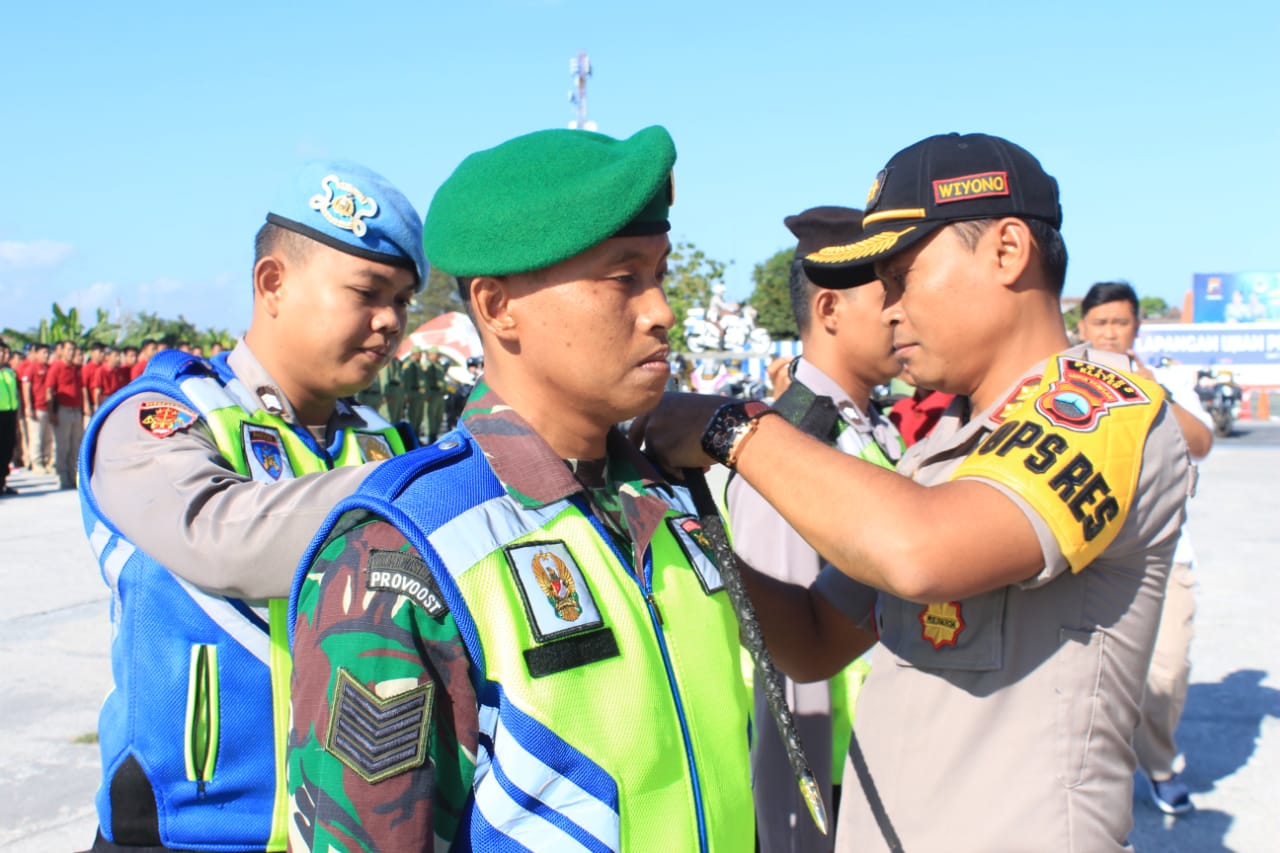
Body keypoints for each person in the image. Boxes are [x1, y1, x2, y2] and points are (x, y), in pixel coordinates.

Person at [633, 132, 1195, 852]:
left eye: (903, 276)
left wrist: (734, 428)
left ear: (1007, 249)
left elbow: (923, 551)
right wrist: (692, 530)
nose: (890, 308)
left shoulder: (1100, 409)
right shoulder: (940, 451)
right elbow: (811, 641)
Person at [287, 125, 754, 852]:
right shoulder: (409, 550)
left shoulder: (667, 503)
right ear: (499, 305)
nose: (662, 309)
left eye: (660, 274)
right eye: (624, 277)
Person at [77, 159, 425, 853]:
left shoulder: (382, 441)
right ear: (272, 283)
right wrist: (419, 485)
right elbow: (219, 537)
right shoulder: (164, 417)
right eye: (368, 291)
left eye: (404, 299)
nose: (390, 321)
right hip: (187, 833)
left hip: (345, 831)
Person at [727, 206, 902, 853]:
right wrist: (792, 836)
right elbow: (782, 668)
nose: (906, 313)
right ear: (829, 309)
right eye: (890, 294)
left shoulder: (868, 429)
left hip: (881, 759)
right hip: (830, 785)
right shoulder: (794, 447)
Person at [1078, 280, 1213, 815]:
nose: (1110, 333)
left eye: (1121, 323)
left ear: (1138, 326)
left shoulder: (1167, 378)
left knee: (1168, 671)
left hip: (1166, 554)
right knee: (1092, 683)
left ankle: (1159, 762)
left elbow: (1200, 442)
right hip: (1087, 558)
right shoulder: (1062, 379)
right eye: (1100, 323)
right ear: (1082, 328)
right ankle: (1099, 781)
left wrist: (1150, 393)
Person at [46, 339, 87, 489]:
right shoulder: (57, 367)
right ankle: (62, 476)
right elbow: (49, 390)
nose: (71, 353)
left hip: (76, 410)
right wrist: (52, 412)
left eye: (73, 350)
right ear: (61, 351)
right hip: (63, 410)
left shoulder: (75, 368)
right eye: (68, 350)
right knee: (62, 445)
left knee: (76, 444)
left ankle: (73, 475)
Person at [19, 342, 52, 473]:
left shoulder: (49, 368)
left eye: (48, 352)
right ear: (36, 353)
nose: (47, 355)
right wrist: (28, 406)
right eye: (44, 352)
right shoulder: (31, 368)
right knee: (36, 437)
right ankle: (36, 463)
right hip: (36, 408)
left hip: (48, 408)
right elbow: (26, 388)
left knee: (48, 438)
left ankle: (48, 462)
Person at [0, 338, 19, 495]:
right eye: (1, 352)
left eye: (6, 352)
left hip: (10, 415)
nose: (4, 355)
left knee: (7, 449)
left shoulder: (9, 373)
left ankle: (2, 482)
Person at [422, 345, 447, 442]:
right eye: (436, 355)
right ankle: (430, 438)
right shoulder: (426, 365)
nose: (438, 356)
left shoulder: (439, 365)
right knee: (430, 417)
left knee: (438, 416)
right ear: (431, 355)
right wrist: (426, 394)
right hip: (431, 394)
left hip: (439, 394)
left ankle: (435, 435)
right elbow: (424, 381)